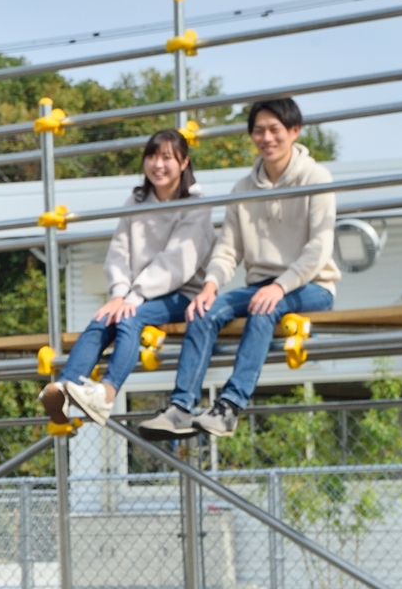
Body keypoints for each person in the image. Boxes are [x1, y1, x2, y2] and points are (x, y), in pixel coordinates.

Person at [140, 97, 338, 439]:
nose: (267, 138)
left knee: (265, 307)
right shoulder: (242, 190)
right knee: (202, 311)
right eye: (258, 131)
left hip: (312, 285)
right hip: (260, 285)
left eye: (275, 129)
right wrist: (210, 285)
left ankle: (229, 407)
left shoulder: (317, 177)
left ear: (294, 131)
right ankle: (181, 409)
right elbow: (228, 249)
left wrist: (280, 286)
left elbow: (319, 248)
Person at [40, 129, 212, 427]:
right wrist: (118, 294)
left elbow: (176, 263)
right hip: (135, 293)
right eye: (152, 156)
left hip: (182, 293)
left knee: (128, 318)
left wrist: (132, 298)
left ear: (184, 163)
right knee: (103, 317)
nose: (158, 165)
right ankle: (65, 390)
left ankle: (106, 394)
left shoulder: (196, 204)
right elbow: (118, 252)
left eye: (167, 158)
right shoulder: (136, 200)